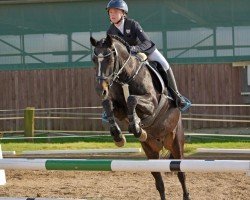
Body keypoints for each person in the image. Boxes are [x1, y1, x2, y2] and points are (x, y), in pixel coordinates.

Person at [105, 0, 191, 111]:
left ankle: (177, 96)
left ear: (123, 13)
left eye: (115, 12)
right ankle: (111, 105)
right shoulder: (110, 31)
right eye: (110, 12)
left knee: (164, 64)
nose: (112, 15)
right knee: (110, 71)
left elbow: (147, 42)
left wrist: (135, 49)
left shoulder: (132, 24)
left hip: (145, 51)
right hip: (128, 59)